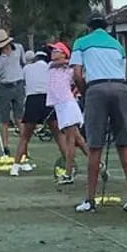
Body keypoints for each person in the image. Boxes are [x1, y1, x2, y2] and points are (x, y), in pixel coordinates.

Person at [70, 10, 127, 213]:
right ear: (105, 26)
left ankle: (90, 200)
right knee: (124, 143)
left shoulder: (81, 42)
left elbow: (77, 74)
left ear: (89, 27)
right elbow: (121, 70)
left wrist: (86, 93)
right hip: (120, 88)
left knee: (95, 145)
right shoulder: (117, 44)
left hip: (96, 88)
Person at [46, 41, 89, 184]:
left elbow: (80, 76)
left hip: (68, 105)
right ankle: (98, 164)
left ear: (64, 53)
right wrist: (71, 61)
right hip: (60, 107)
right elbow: (59, 63)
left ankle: (68, 173)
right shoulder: (51, 66)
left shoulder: (70, 69)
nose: (52, 53)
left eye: (56, 51)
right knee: (79, 140)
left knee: (71, 140)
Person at [11, 48, 51, 177]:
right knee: (59, 135)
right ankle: (68, 165)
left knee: (25, 137)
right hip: (47, 99)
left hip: (32, 100)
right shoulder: (50, 67)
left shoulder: (27, 69)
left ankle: (15, 167)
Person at [0, 29, 26, 156]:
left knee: (20, 118)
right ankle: (6, 147)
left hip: (18, 85)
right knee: (5, 119)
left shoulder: (18, 48)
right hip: (4, 86)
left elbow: (23, 64)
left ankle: (24, 147)